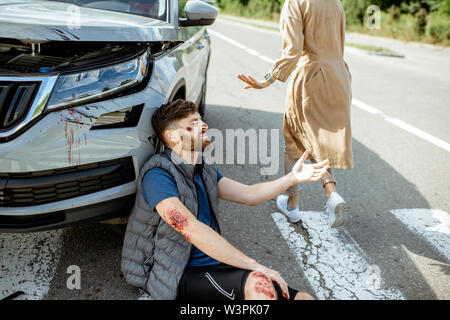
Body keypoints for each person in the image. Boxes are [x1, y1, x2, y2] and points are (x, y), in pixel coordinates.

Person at [121, 99, 329, 300]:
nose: (203, 125)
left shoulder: (204, 170)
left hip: (214, 262)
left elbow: (249, 195)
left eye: (200, 119)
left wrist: (292, 178)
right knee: (259, 284)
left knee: (302, 297)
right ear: (173, 136)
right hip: (177, 272)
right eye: (192, 123)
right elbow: (189, 227)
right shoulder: (158, 174)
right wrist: (256, 265)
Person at [237, 0, 353, 228]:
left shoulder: (296, 2)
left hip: (311, 75)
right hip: (339, 75)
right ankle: (331, 193)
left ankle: (293, 204)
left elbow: (292, 51)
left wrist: (266, 80)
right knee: (316, 138)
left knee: (294, 137)